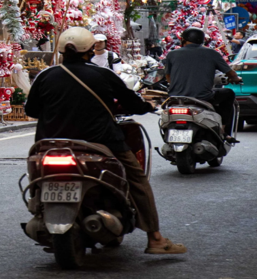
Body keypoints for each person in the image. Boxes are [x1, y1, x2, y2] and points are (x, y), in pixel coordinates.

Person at [26, 27, 186, 255]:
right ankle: (155, 239)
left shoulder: (45, 75)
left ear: (61, 50)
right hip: (101, 142)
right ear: (90, 50)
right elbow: (133, 104)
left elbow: (32, 110)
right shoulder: (103, 74)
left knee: (38, 175)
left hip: (51, 145)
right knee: (137, 180)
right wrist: (147, 106)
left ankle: (39, 207)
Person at [160, 27, 238, 144]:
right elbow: (231, 73)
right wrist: (235, 78)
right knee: (228, 93)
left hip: (176, 98)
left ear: (183, 40)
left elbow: (168, 77)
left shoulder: (172, 54)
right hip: (203, 97)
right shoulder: (212, 53)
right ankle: (223, 131)